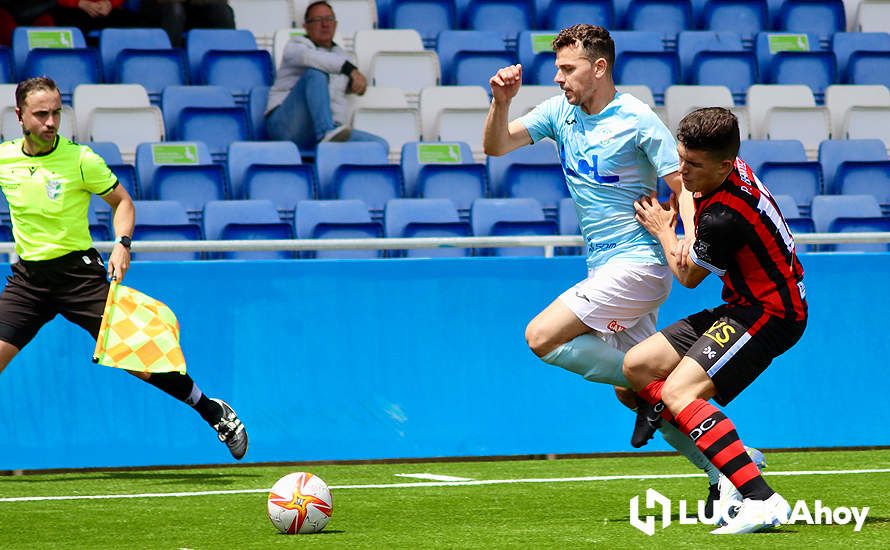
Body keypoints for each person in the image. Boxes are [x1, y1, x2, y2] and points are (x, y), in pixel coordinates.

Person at [482, 23, 727, 511]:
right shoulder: (559, 113)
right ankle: (727, 470)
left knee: (541, 336)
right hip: (604, 268)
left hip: (639, 265)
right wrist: (501, 101)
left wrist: (687, 242)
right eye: (556, 68)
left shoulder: (636, 118)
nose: (558, 78)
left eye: (567, 69)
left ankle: (652, 390)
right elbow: (496, 146)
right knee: (631, 393)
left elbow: (683, 187)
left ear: (599, 68)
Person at [0, 77, 248, 461]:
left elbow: (123, 203)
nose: (50, 122)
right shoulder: (6, 159)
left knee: (140, 360)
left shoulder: (81, 160)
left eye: (56, 113)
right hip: (29, 280)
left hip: (79, 277)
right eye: (41, 114)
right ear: (20, 116)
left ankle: (212, 410)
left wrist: (122, 244)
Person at [625, 107, 807, 534]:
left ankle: (761, 499)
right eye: (681, 158)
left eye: (693, 165)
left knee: (679, 392)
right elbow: (690, 202)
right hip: (740, 303)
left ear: (725, 165)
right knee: (636, 369)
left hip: (771, 313)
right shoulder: (724, 168)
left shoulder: (726, 216)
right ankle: (731, 453)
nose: (681, 170)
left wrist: (664, 230)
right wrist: (685, 221)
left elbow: (687, 276)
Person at [265, 0, 387, 151]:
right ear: (306, 27)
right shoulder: (295, 46)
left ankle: (330, 137)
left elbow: (342, 89)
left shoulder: (342, 56)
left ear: (335, 24)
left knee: (379, 146)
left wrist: (358, 85)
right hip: (284, 126)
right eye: (318, 20)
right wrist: (351, 70)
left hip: (318, 133)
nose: (325, 24)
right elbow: (313, 59)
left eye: (329, 19)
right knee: (315, 74)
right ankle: (327, 134)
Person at [139, 0, 235, 48]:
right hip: (161, 9)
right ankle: (168, 63)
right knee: (175, 11)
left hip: (196, 8)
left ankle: (228, 61)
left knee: (223, 12)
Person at [52, 1, 139, 45]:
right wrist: (79, 2)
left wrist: (110, 3)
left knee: (136, 24)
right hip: (72, 11)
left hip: (107, 10)